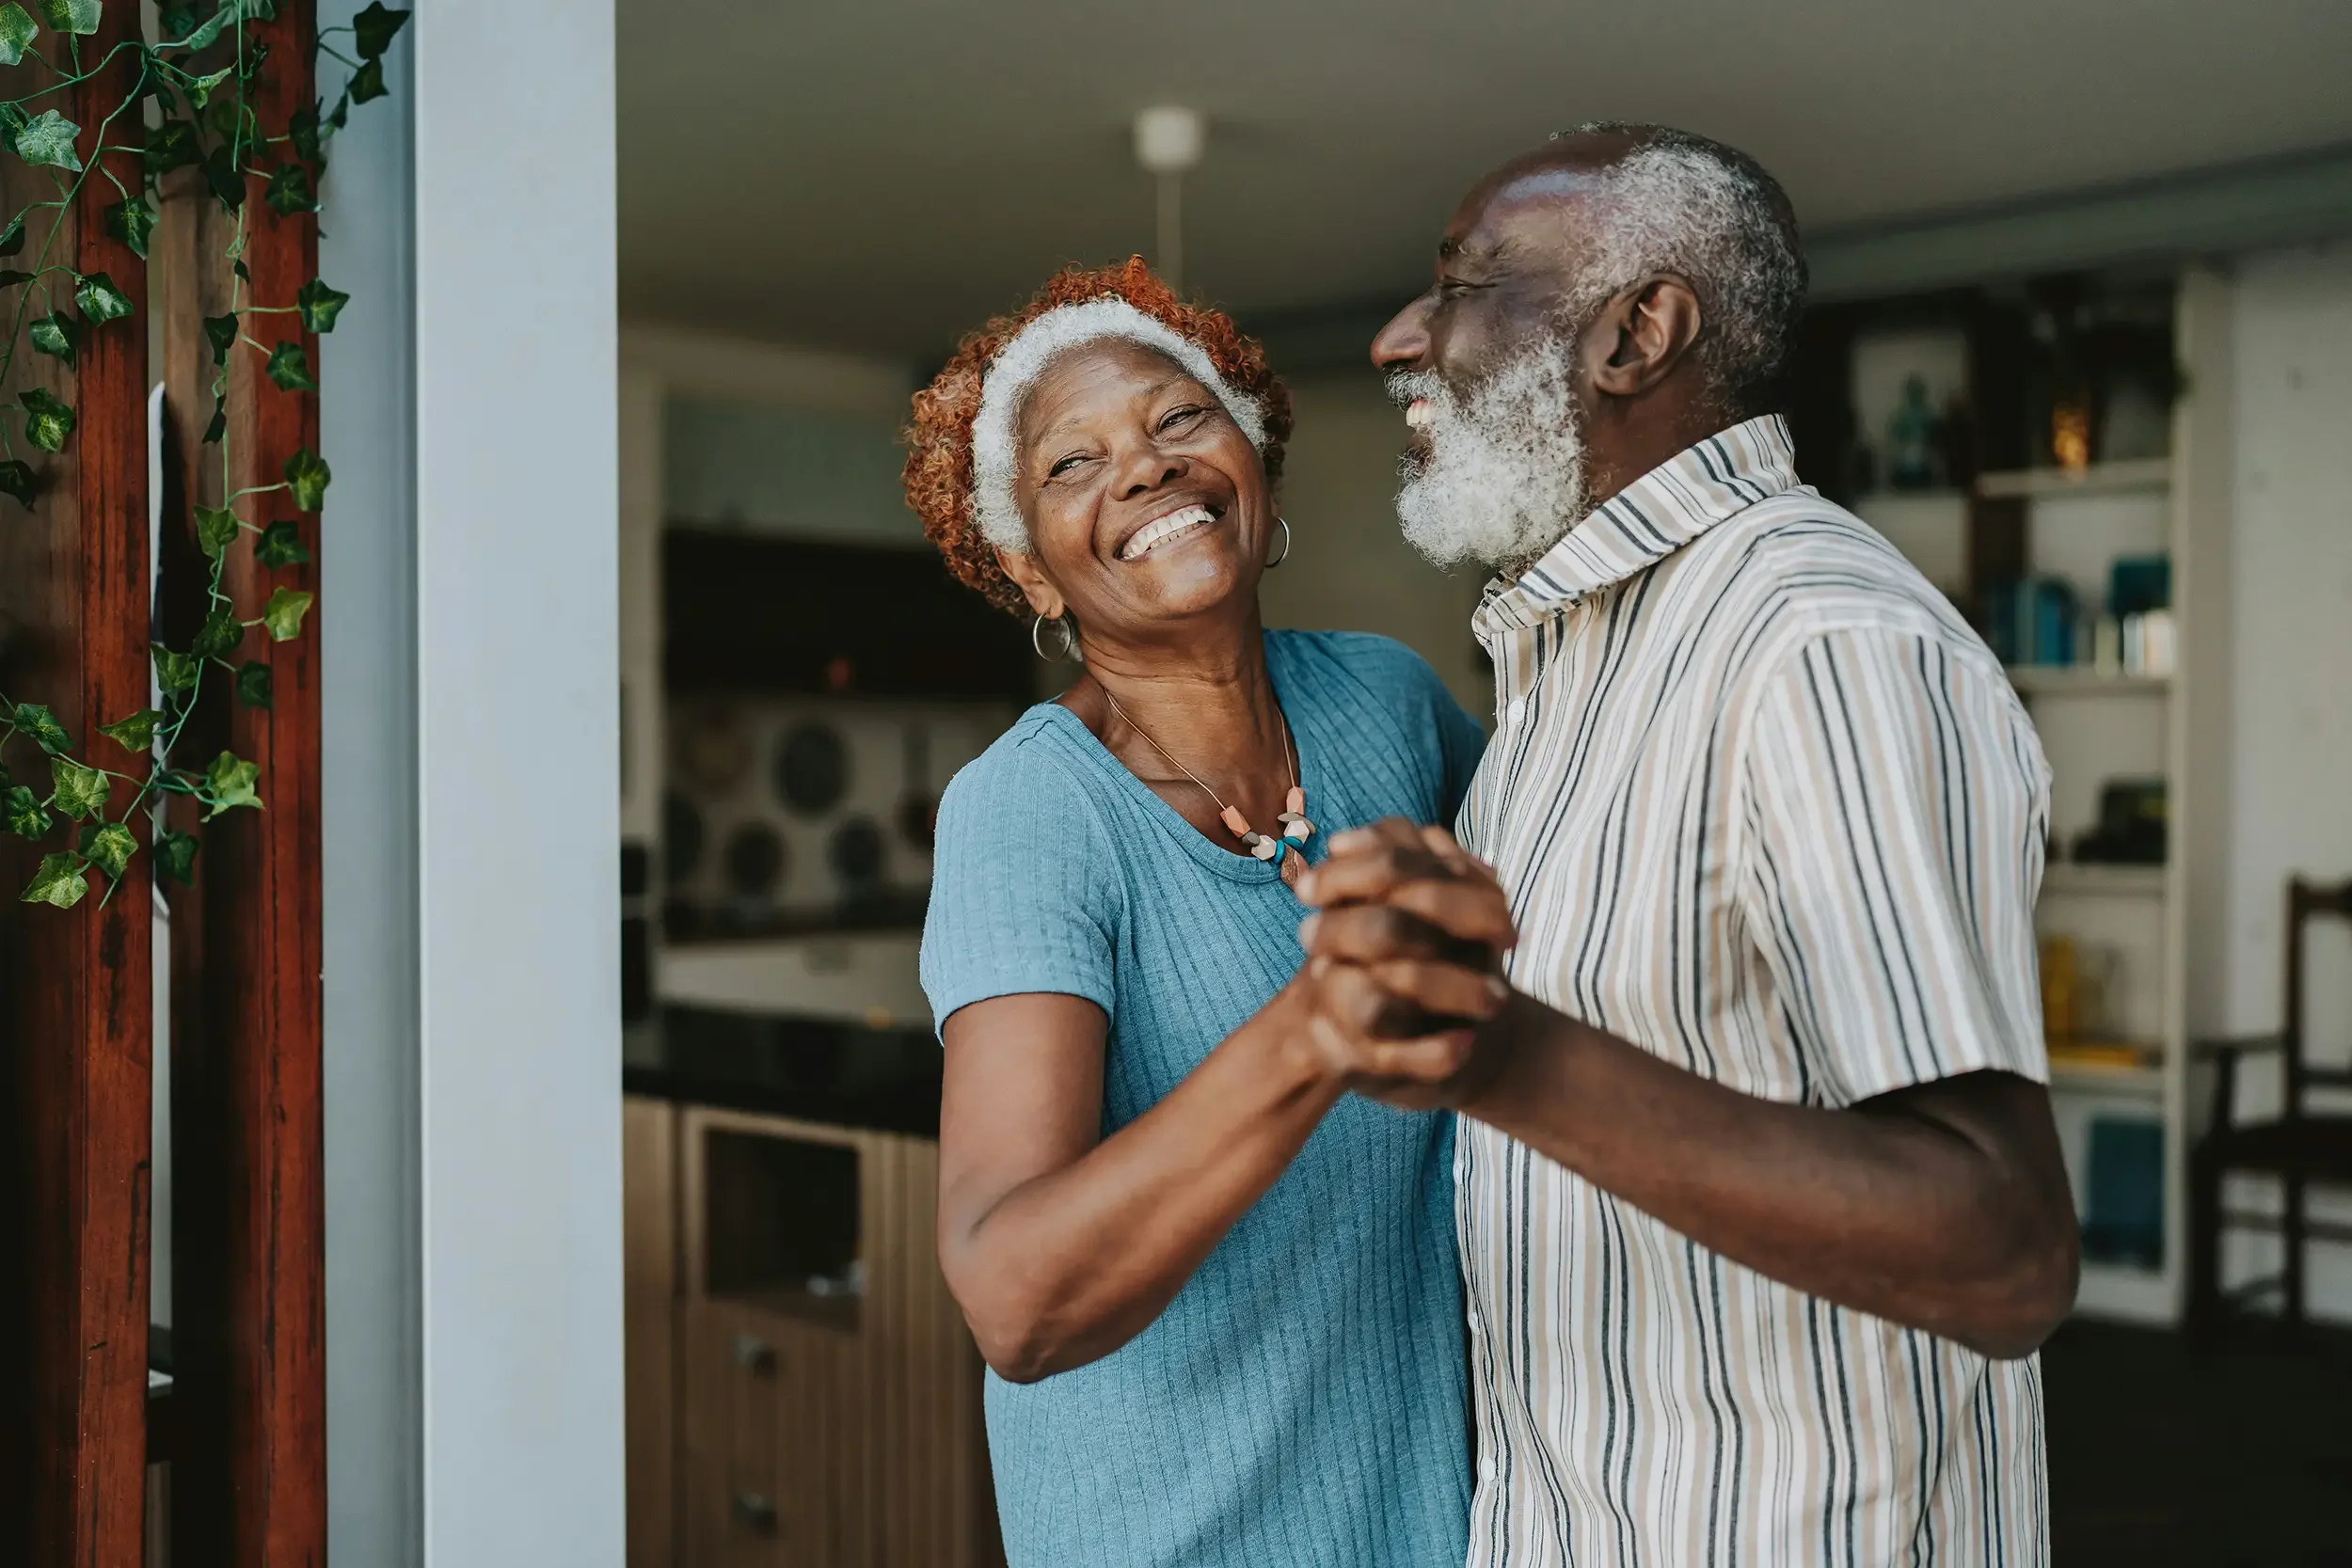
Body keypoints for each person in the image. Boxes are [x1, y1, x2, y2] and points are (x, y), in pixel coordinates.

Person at [1288, 124, 2078, 1566]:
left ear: (1636, 332)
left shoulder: (1816, 641)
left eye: (1462, 282)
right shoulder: (1561, 672)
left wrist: (1501, 1054)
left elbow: (2004, 1245)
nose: (1405, 335)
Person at [904, 258, 1484, 1568]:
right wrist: (1320, 1020)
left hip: (1433, 1524)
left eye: (1180, 419)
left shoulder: (1386, 705)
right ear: (1032, 572)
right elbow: (1016, 1298)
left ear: (1255, 458)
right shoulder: (1029, 813)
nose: (1147, 467)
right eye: (1073, 464)